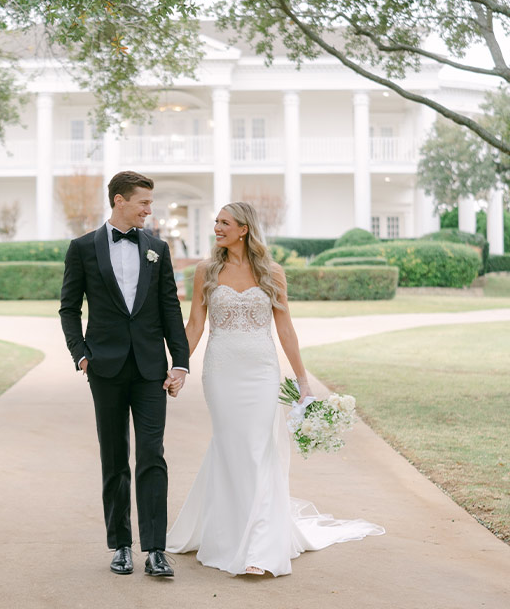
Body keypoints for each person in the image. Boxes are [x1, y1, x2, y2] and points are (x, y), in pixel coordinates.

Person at [166, 202, 384, 576]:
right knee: (231, 446)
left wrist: (303, 381)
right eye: (216, 222)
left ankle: (260, 547)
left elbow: (285, 329)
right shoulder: (205, 270)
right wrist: (179, 367)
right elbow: (195, 325)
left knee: (258, 450)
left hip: (261, 372)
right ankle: (227, 533)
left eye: (224, 223)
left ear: (244, 229)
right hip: (220, 372)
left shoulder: (272, 272)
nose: (216, 228)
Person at [59, 170, 189, 578]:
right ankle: (120, 546)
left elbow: (170, 307)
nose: (150, 210)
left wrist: (180, 362)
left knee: (152, 455)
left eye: (150, 203)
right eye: (143, 203)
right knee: (114, 458)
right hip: (106, 368)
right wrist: (81, 354)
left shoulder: (157, 248)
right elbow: (69, 307)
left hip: (151, 368)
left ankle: (155, 549)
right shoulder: (82, 248)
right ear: (119, 200)